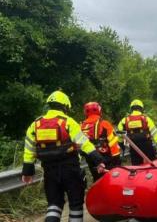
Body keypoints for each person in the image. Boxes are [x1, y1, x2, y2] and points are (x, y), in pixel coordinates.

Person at [21, 91, 105, 222]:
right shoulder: (68, 122)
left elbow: (29, 150)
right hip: (70, 168)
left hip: (49, 171)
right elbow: (84, 143)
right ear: (65, 107)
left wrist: (27, 171)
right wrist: (98, 160)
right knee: (76, 204)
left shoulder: (35, 124)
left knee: (54, 205)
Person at [117, 99, 157, 165]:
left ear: (131, 109)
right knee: (152, 165)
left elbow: (120, 135)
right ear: (141, 108)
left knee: (136, 167)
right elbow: (155, 133)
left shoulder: (124, 120)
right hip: (147, 145)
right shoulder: (146, 119)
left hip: (133, 147)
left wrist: (122, 146)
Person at [81, 102, 121, 181]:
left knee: (97, 179)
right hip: (106, 159)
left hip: (91, 158)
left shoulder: (82, 126)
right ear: (99, 111)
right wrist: (117, 161)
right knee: (110, 180)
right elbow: (113, 143)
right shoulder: (104, 124)